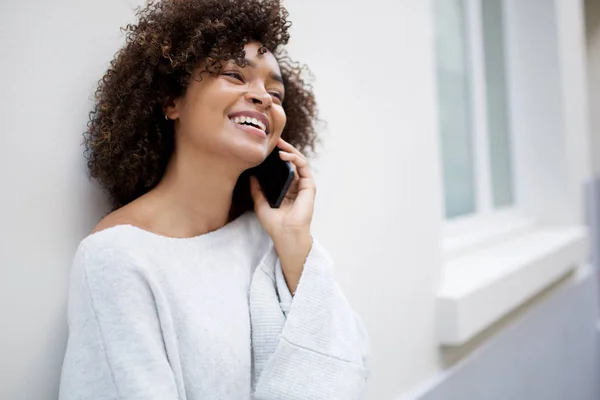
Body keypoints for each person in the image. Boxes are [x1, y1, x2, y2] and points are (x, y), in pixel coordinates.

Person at [59, 0, 369, 399]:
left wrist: (296, 247)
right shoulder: (117, 257)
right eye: (234, 74)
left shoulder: (273, 239)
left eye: (275, 92)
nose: (264, 98)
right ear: (172, 100)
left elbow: (352, 364)